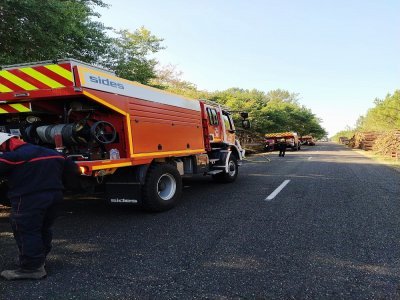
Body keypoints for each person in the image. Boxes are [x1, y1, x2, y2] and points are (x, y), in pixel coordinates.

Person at [0, 133, 65, 280]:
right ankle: (38, 259)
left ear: (4, 145)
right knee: (43, 228)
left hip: (28, 199)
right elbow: (71, 171)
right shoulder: (53, 154)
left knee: (26, 230)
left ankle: (32, 268)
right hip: (55, 197)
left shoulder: (12, 157)